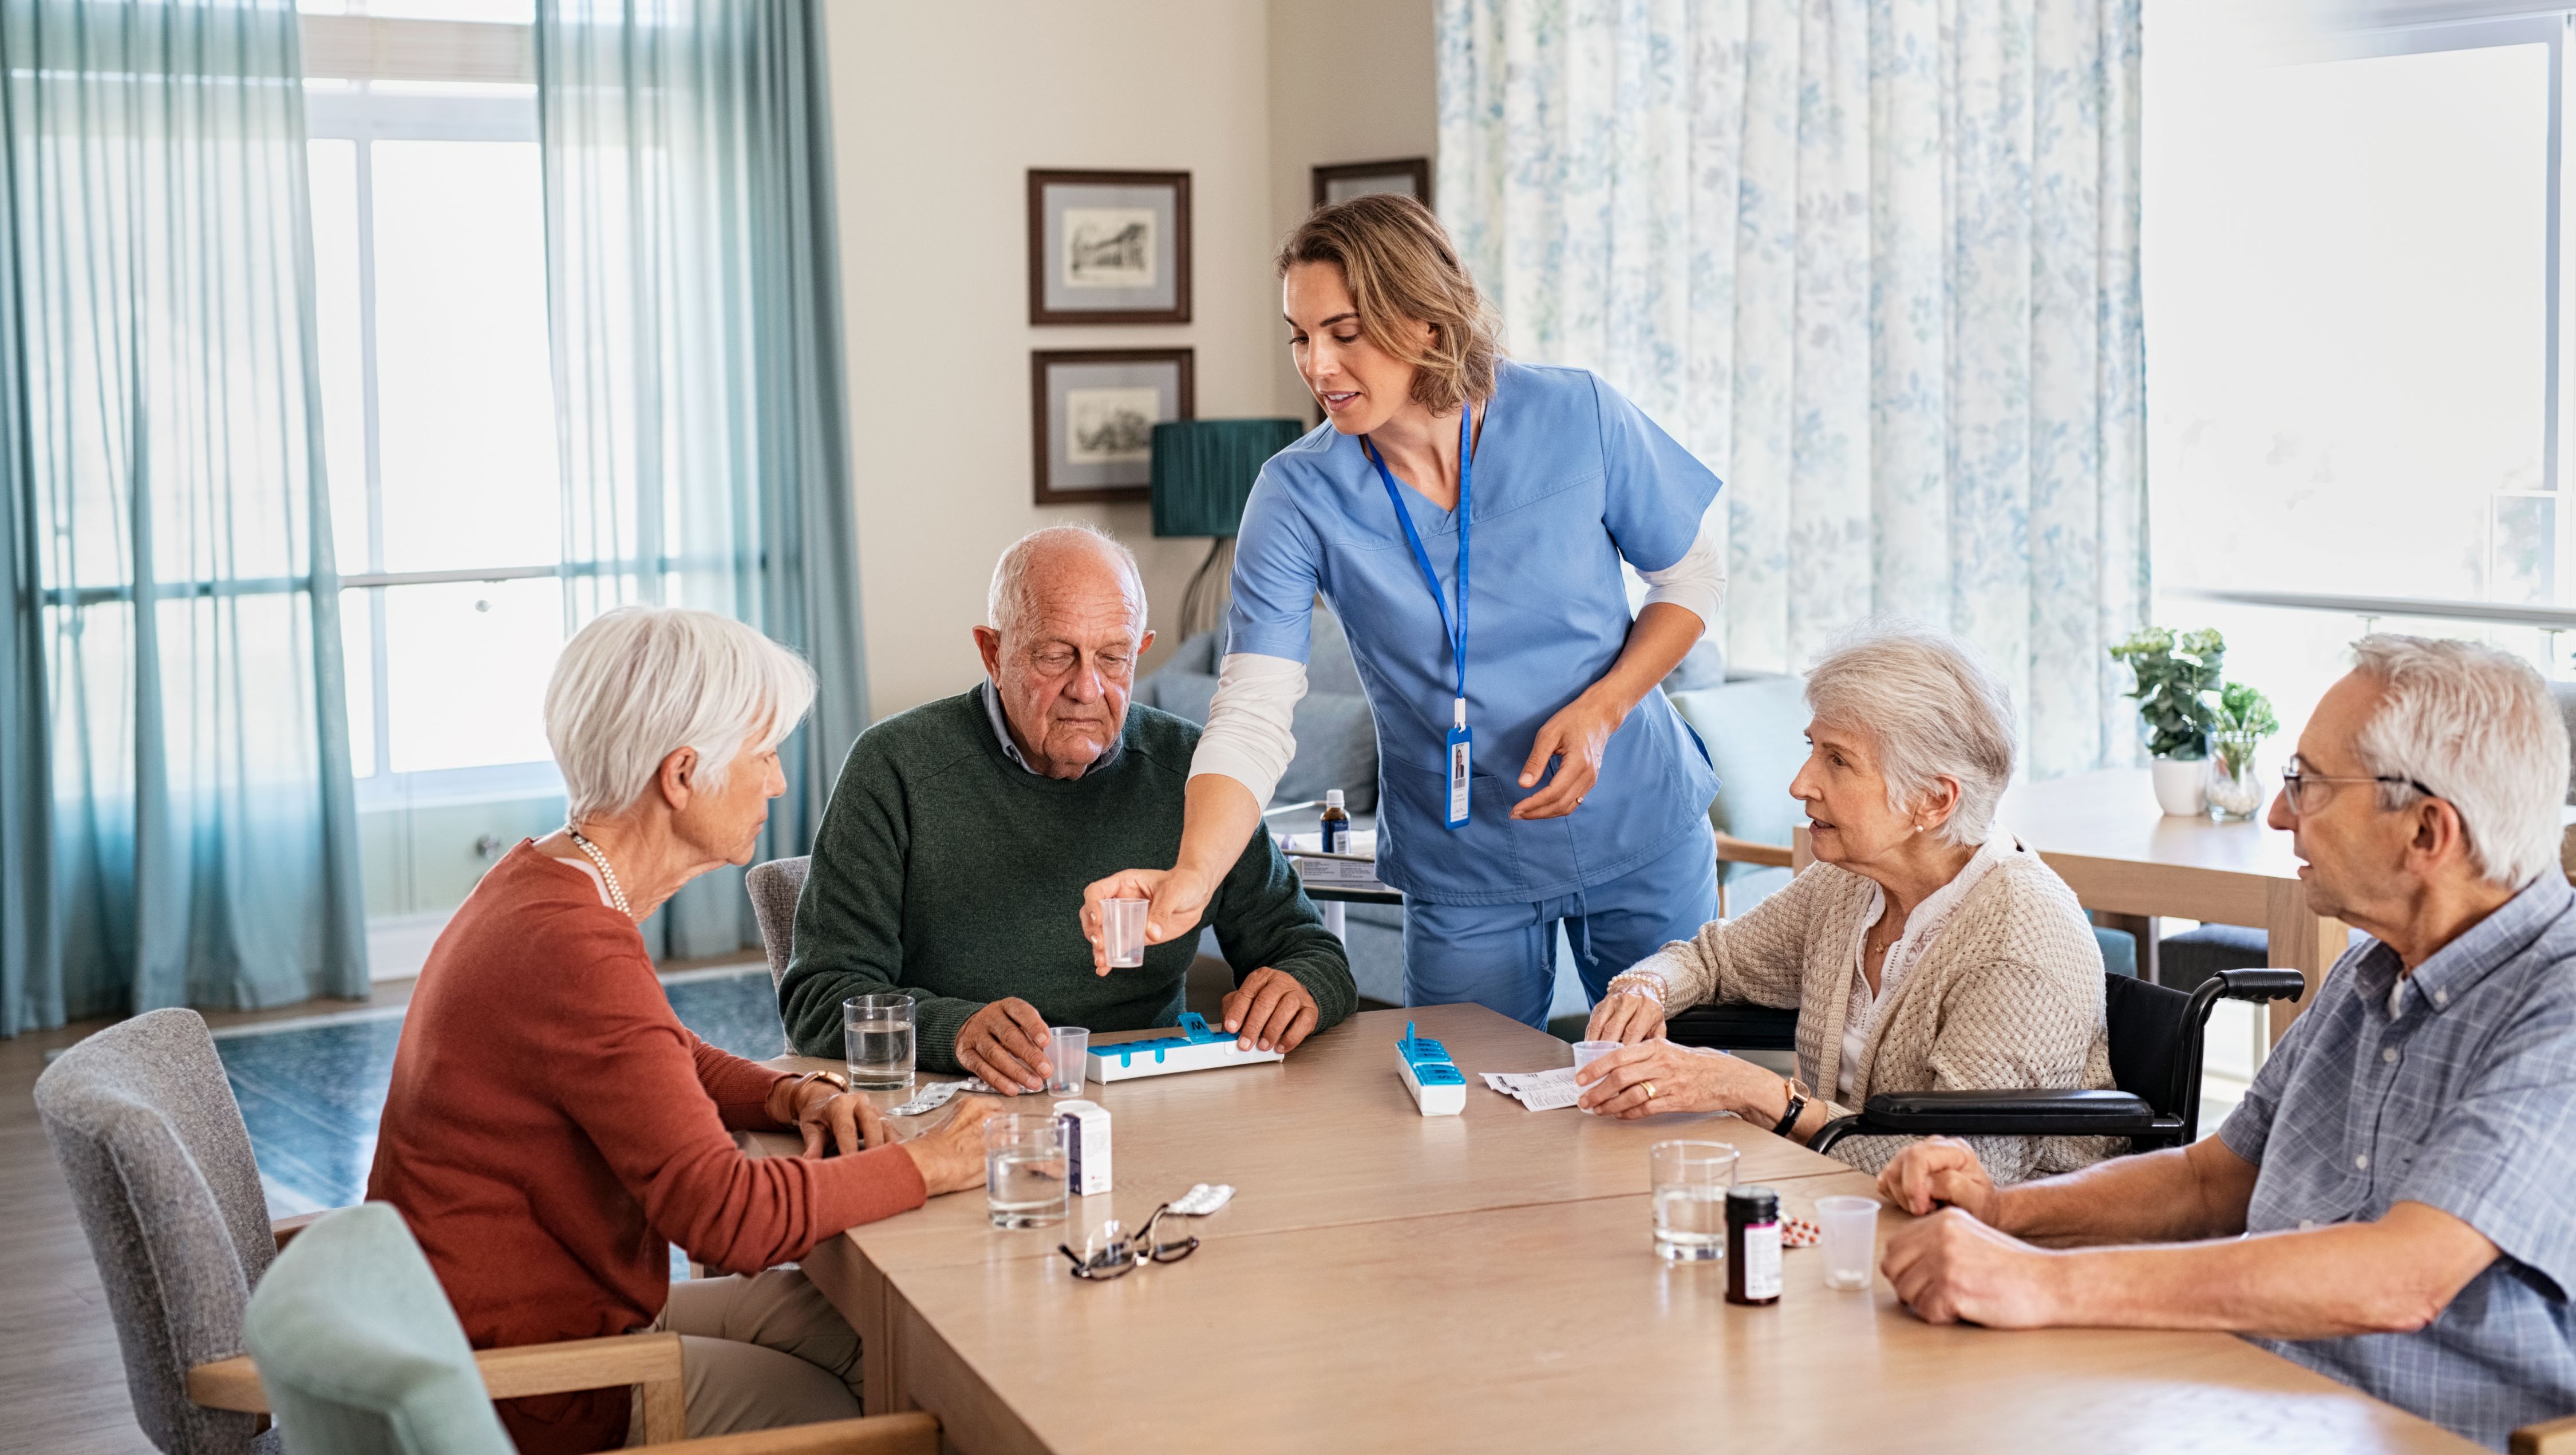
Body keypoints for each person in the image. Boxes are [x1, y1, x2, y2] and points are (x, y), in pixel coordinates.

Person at [1875, 636, 2576, 1453]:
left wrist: (2042, 1282)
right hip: (2263, 1397)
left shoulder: (2558, 1004)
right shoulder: (2376, 970)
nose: (2279, 813)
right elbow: (2212, 1182)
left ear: (2427, 831)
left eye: (2307, 785)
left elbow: (2404, 1276)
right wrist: (2007, 1215)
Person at [1080, 195, 1726, 1026]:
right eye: (1301, 337)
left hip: (1639, 825)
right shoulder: (1295, 494)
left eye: (1344, 333)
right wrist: (1191, 878)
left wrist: (1603, 711)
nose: (1317, 366)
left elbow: (1690, 576)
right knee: (1469, 1121)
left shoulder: (1578, 414)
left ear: (1426, 320)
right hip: (1462, 865)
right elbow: (1251, 711)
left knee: (1665, 1099)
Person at [367, 608, 998, 1455]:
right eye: (765, 755)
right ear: (684, 775)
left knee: (869, 1338)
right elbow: (727, 1220)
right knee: (890, 1417)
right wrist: (927, 1164)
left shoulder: (545, 882)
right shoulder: (571, 944)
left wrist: (788, 1092)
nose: (778, 784)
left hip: (529, 1313)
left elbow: (659, 1050)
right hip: (526, 1386)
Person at [779, 525, 1356, 1089]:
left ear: (1140, 652)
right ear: (992, 652)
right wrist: (952, 1031)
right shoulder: (895, 766)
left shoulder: (1196, 771)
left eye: (1113, 657)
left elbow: (1312, 951)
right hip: (959, 1104)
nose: (1087, 688)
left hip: (1150, 1096)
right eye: (1056, 656)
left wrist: (1298, 987)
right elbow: (820, 999)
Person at [1575, 626, 2115, 1181]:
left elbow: (1961, 1177)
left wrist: (1760, 1094)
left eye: (1838, 761)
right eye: (1814, 749)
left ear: (1933, 799)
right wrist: (1647, 987)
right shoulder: (1851, 883)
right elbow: (1714, 960)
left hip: (1992, 1243)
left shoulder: (2017, 945)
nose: (1801, 783)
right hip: (1838, 1202)